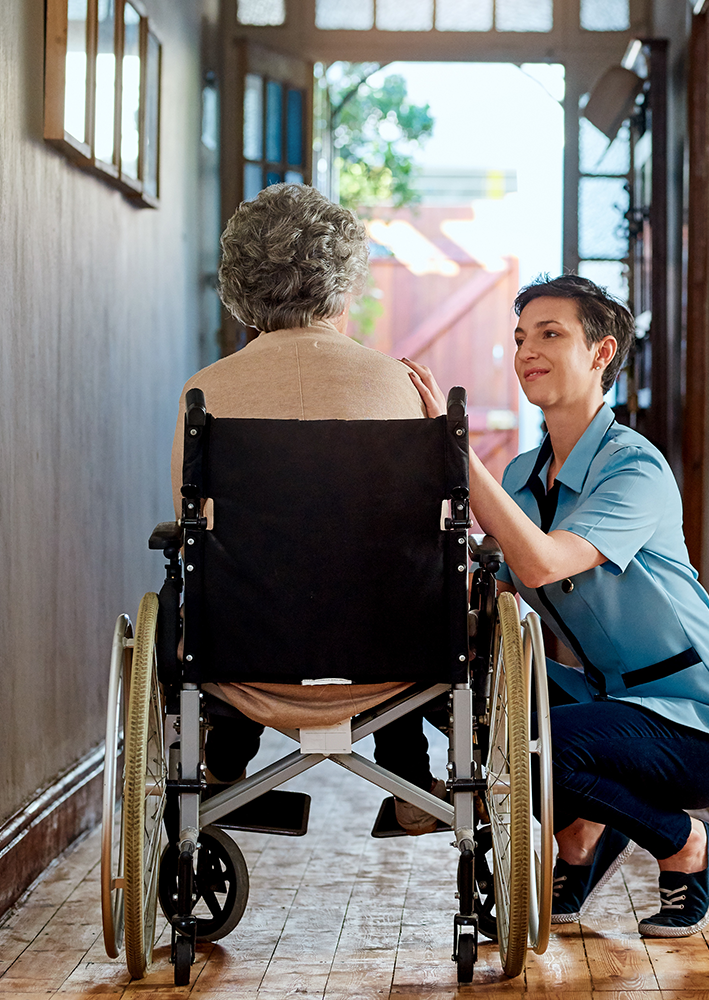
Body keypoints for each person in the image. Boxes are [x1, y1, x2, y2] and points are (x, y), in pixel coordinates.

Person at [401, 275, 709, 938]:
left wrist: (455, 451)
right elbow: (504, 590)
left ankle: (686, 845)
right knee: (469, 699)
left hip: (699, 724)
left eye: (549, 334)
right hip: (611, 703)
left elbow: (541, 561)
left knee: (531, 745)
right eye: (519, 338)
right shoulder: (522, 477)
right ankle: (581, 837)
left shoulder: (635, 470)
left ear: (602, 354)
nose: (525, 351)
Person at [172, 183, 446, 835]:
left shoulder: (205, 393)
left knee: (232, 571)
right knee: (393, 575)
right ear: (346, 281)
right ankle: (409, 781)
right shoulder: (403, 387)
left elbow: (193, 525)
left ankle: (223, 770)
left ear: (241, 284)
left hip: (244, 655)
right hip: (392, 655)